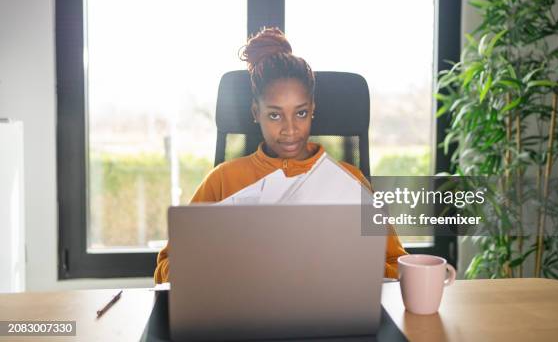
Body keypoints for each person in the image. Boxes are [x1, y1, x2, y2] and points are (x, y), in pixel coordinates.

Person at [154, 27, 406, 284]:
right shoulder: (222, 181)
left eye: (300, 113)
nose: (290, 129)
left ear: (312, 110)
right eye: (275, 115)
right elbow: (166, 268)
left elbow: (397, 266)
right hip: (244, 316)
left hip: (329, 315)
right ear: (255, 112)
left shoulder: (350, 181)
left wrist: (350, 266)